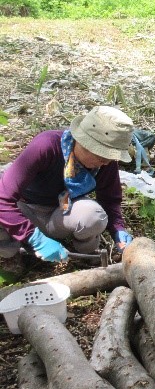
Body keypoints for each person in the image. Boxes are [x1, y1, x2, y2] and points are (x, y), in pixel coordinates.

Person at [0, 105, 135, 276]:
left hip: (61, 211)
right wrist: (34, 237)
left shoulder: (105, 163)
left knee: (93, 216)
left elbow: (109, 199)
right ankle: (10, 254)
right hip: (25, 209)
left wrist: (118, 230)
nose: (106, 163)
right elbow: (3, 199)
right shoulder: (46, 146)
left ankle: (84, 254)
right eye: (102, 156)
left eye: (109, 158)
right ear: (84, 143)